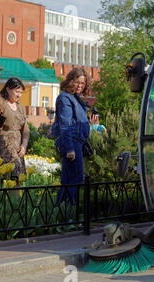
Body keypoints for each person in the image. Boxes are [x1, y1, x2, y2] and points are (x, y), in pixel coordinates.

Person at [52, 68, 91, 203]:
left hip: (77, 142)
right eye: (77, 82)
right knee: (75, 179)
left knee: (69, 179)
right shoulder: (65, 98)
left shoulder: (76, 98)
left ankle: (62, 213)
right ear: (70, 81)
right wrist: (69, 148)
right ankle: (69, 215)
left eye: (83, 83)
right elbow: (65, 124)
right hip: (72, 142)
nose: (80, 86)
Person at [0, 77, 29, 183]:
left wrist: (24, 146)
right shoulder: (0, 102)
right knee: (2, 180)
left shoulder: (20, 107)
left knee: (16, 180)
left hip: (17, 150)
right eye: (16, 91)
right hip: (2, 148)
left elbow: (25, 130)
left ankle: (15, 200)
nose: (19, 95)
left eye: (21, 92)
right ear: (7, 89)